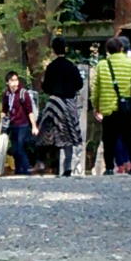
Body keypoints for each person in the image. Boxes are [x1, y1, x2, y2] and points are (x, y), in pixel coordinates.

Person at [90, 37, 131, 174]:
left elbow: (96, 88)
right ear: (121, 48)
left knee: (109, 138)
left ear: (107, 50)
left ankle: (109, 167)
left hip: (108, 108)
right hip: (127, 108)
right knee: (130, 135)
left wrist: (96, 106)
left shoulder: (102, 65)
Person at [37, 36, 82, 176]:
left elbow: (45, 87)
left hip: (54, 103)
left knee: (46, 132)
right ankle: (67, 167)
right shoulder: (71, 66)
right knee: (68, 134)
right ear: (65, 49)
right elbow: (79, 84)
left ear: (53, 50)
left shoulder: (51, 67)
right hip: (68, 103)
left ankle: (44, 162)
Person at [1, 71, 36, 174]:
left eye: (16, 80)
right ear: (7, 82)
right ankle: (18, 170)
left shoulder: (23, 93)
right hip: (12, 124)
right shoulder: (7, 94)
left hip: (22, 124)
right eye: (12, 80)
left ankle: (26, 169)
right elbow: (4, 110)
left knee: (20, 148)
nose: (15, 82)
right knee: (15, 149)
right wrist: (2, 124)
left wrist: (34, 126)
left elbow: (30, 111)